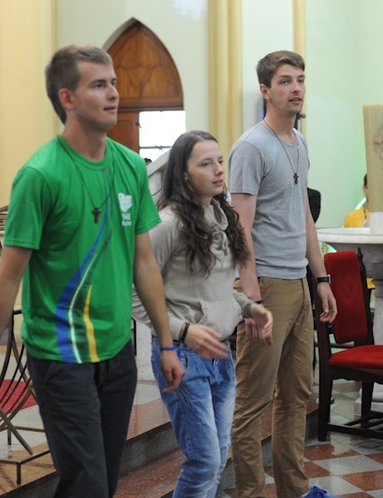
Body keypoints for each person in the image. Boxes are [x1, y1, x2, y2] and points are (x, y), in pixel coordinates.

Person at [0, 45, 183, 498]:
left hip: (117, 350)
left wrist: (166, 342)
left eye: (115, 83)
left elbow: (143, 260)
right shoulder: (41, 174)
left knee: (101, 482)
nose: (114, 93)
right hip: (61, 355)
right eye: (99, 85)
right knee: (85, 483)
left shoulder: (127, 166)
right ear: (67, 98)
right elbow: (6, 278)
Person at [134, 130, 273, 496]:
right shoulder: (167, 224)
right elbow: (135, 295)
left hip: (220, 352)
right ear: (183, 173)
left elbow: (217, 290)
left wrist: (248, 308)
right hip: (182, 356)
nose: (218, 170)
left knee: (216, 457)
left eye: (220, 161)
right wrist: (181, 331)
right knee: (204, 461)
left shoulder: (220, 216)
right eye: (205, 163)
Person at [229, 50, 337, 498]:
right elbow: (241, 227)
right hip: (267, 286)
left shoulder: (299, 141)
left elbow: (304, 218)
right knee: (254, 402)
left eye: (301, 80)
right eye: (286, 81)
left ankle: (294, 489)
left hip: (298, 282)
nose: (296, 88)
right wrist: (251, 298)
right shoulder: (251, 147)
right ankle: (251, 493)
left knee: (296, 396)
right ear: (265, 89)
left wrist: (322, 278)